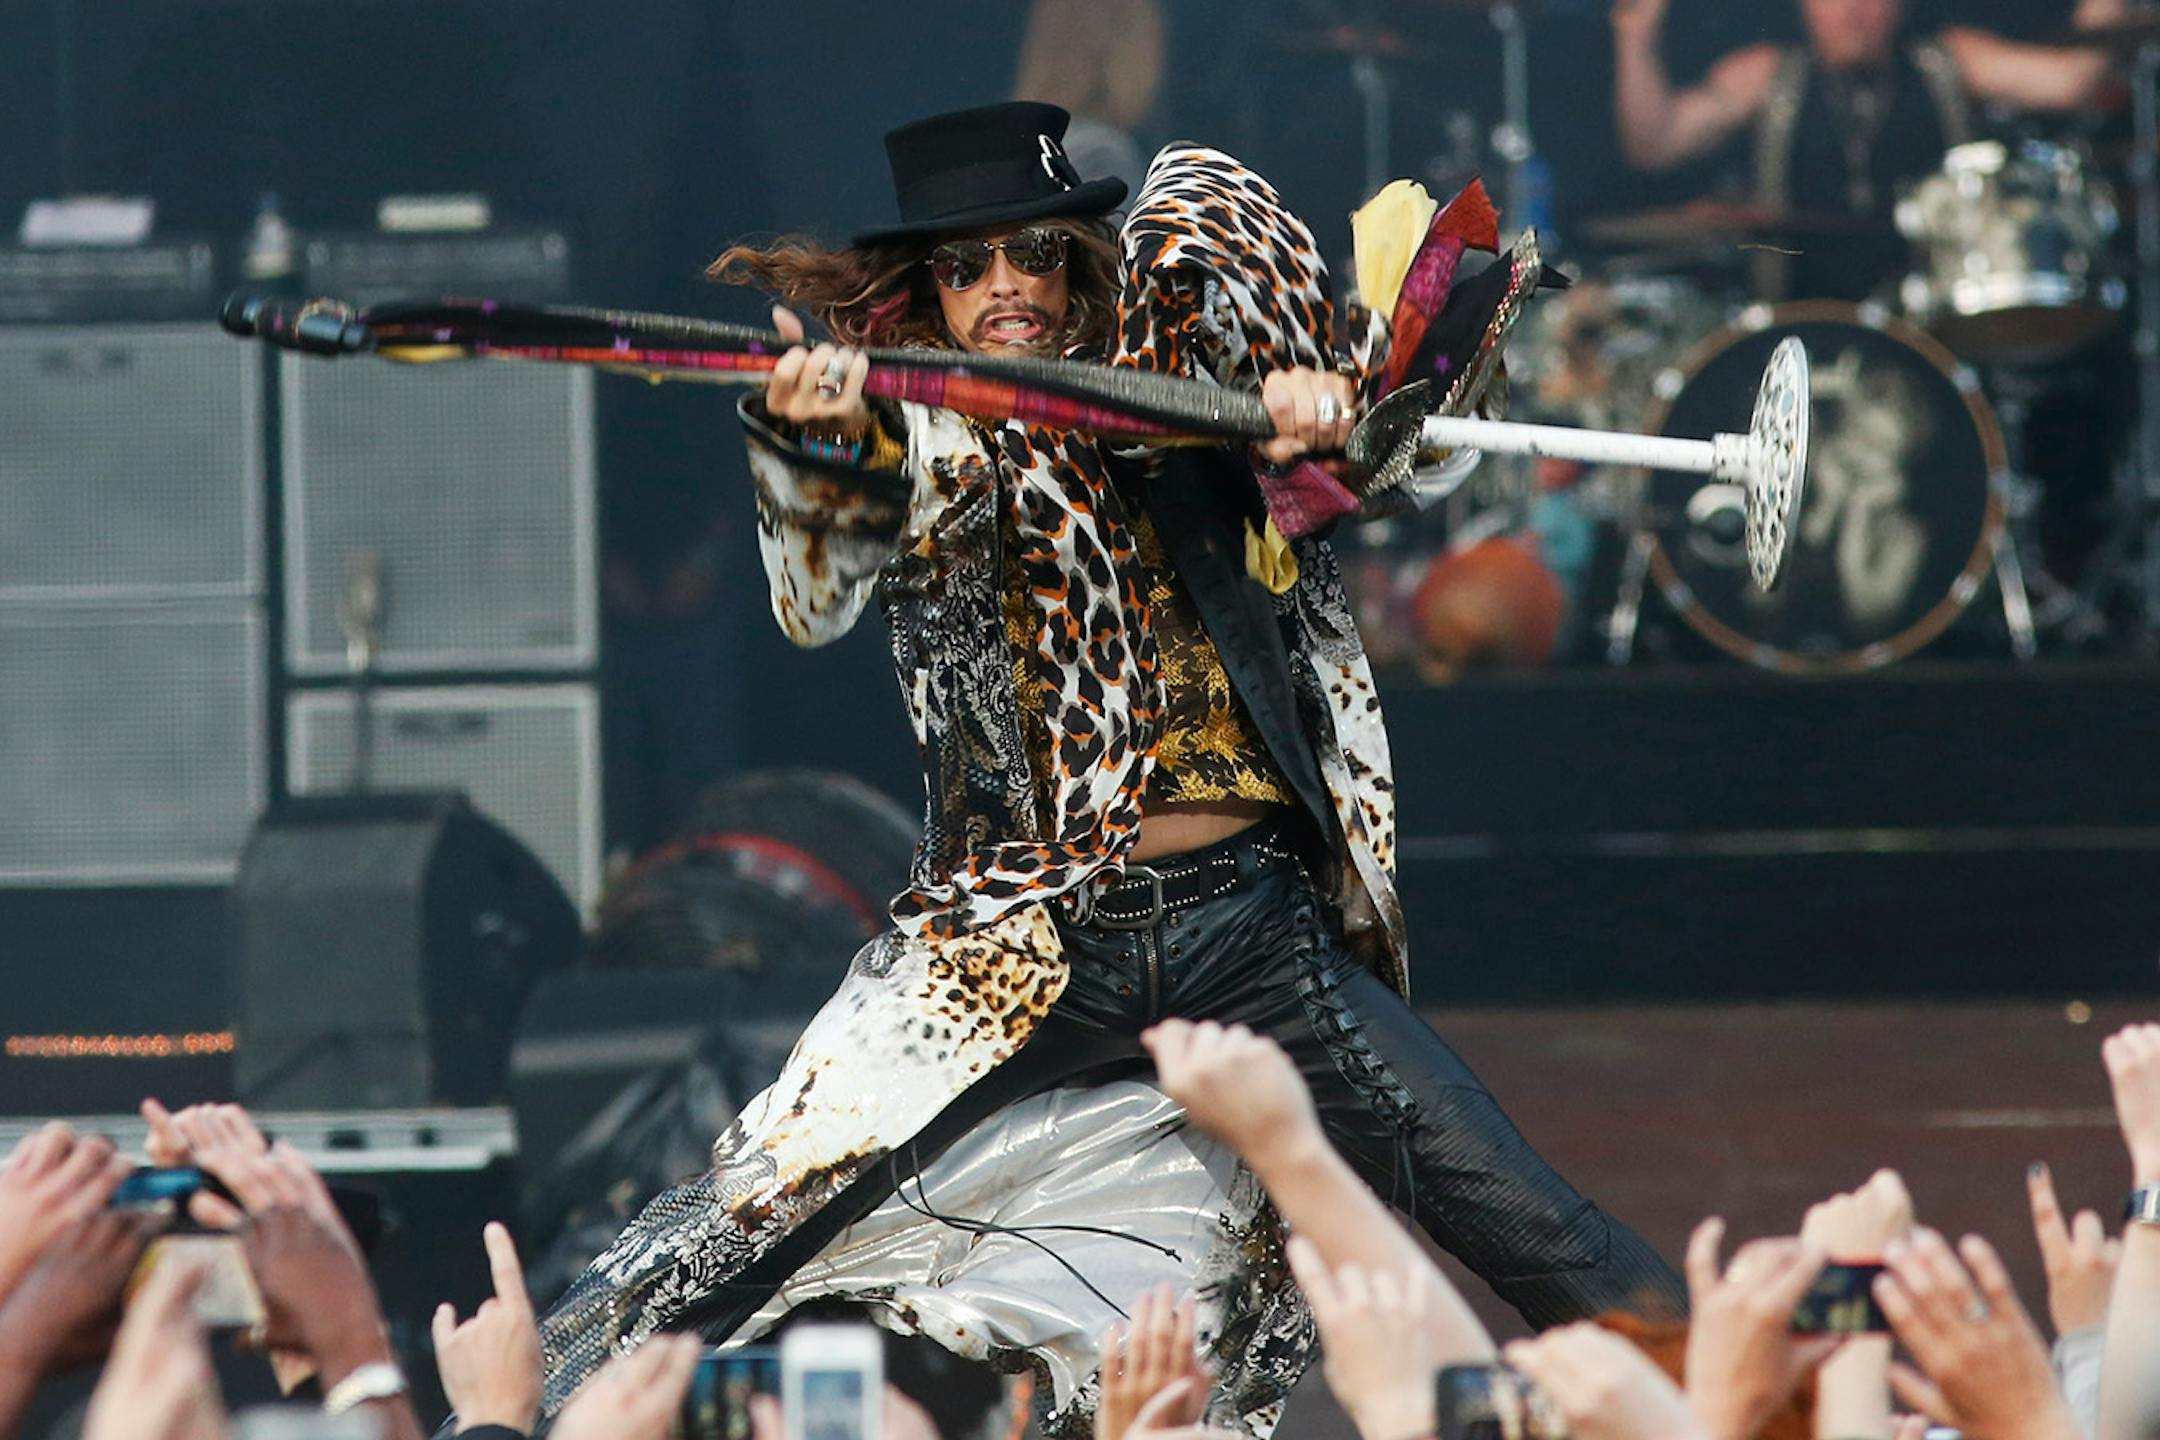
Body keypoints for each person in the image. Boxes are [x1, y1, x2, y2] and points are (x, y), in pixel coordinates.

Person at [530, 100, 1683, 1430]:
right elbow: (816, 592)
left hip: (1253, 937)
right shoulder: (926, 429)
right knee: (731, 1246)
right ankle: (515, 1418)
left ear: (1079, 259)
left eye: (1032, 257)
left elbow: (1394, 465)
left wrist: (1327, 406)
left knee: (1531, 1224)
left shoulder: (1188, 377)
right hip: (1023, 943)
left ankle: (1760, 1410)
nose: (1007, 291)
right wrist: (816, 439)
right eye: (968, 269)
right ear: (927, 292)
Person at [1611, 0, 2127, 300]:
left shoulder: (1950, 60)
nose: (1853, 12)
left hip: (1931, 322)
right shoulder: (1765, 74)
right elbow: (1656, 143)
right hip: (1795, 322)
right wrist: (1636, 38)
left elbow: (2075, 82)